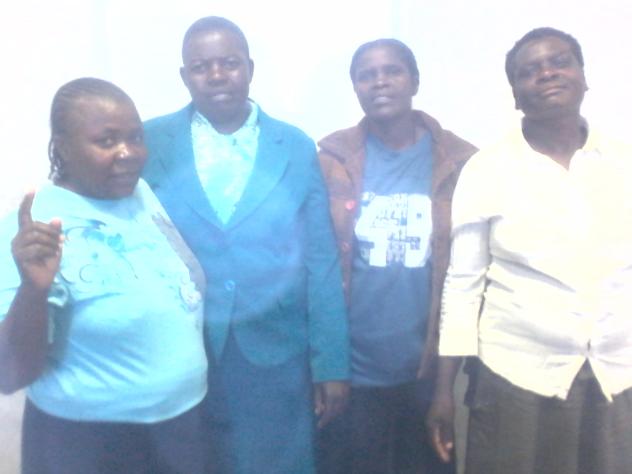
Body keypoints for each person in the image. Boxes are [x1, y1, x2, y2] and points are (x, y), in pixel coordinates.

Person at [142, 16, 350, 474]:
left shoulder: (293, 146)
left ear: (250, 69)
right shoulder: (149, 141)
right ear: (184, 76)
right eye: (201, 67)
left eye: (230, 63)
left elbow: (320, 259)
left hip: (275, 353)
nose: (216, 75)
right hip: (179, 349)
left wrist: (331, 362)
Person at [428, 27, 632, 474]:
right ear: (516, 95)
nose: (547, 74)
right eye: (529, 71)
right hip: (516, 378)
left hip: (616, 375)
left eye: (559, 62)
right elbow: (462, 286)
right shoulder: (486, 170)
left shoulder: (624, 163)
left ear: (583, 77)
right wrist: (443, 391)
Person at [0, 78, 208, 474]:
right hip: (89, 444)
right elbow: (10, 374)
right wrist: (34, 289)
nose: (128, 153)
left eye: (135, 137)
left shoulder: (139, 193)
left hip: (178, 429)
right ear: (63, 147)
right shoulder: (35, 228)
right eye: (107, 141)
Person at [317, 38, 476, 474]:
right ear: (355, 87)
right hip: (351, 372)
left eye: (392, 71)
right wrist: (324, 365)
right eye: (366, 75)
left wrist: (444, 386)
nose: (380, 82)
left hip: (425, 371)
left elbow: (466, 277)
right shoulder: (331, 161)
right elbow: (317, 266)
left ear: (415, 81)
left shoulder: (459, 162)